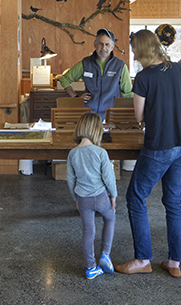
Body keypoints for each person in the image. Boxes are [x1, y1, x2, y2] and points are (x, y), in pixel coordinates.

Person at [116, 30, 181, 277]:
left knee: (136, 197)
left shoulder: (144, 77)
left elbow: (139, 117)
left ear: (143, 50)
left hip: (159, 146)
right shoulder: (179, 70)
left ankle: (143, 259)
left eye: (135, 48)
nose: (134, 53)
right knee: (173, 202)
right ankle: (174, 262)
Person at [66, 111, 117, 279]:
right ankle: (105, 254)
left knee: (88, 231)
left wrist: (76, 199)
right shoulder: (101, 152)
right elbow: (108, 178)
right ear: (97, 130)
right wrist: (113, 195)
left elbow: (70, 179)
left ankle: (91, 268)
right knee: (109, 218)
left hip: (83, 199)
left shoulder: (73, 153)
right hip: (101, 196)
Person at [57, 28, 131, 119]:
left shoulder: (120, 66)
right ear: (95, 44)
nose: (103, 47)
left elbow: (128, 93)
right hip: (88, 116)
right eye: (100, 43)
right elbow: (65, 79)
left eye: (107, 44)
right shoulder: (85, 63)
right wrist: (76, 97)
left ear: (112, 47)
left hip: (110, 116)